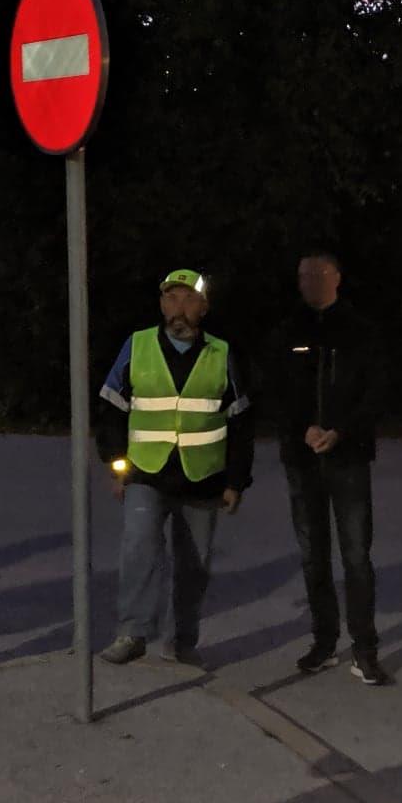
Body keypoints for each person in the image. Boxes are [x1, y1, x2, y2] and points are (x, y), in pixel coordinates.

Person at [94, 268, 254, 668]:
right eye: (170, 298)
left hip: (203, 478)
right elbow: (111, 408)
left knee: (194, 565)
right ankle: (132, 632)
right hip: (146, 472)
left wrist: (236, 481)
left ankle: (182, 642)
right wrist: (116, 464)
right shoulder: (137, 345)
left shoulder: (222, 353)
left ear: (204, 307)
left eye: (187, 299)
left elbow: (240, 421)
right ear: (161, 305)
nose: (178, 308)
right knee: (138, 547)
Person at [268, 249, 390, 685]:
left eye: (318, 274)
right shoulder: (287, 331)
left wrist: (341, 431)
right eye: (304, 275)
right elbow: (276, 391)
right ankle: (323, 641)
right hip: (303, 460)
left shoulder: (360, 331)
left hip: (348, 458)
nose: (310, 282)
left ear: (337, 277)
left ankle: (365, 649)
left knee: (356, 556)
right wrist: (302, 429)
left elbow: (375, 391)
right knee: (313, 555)